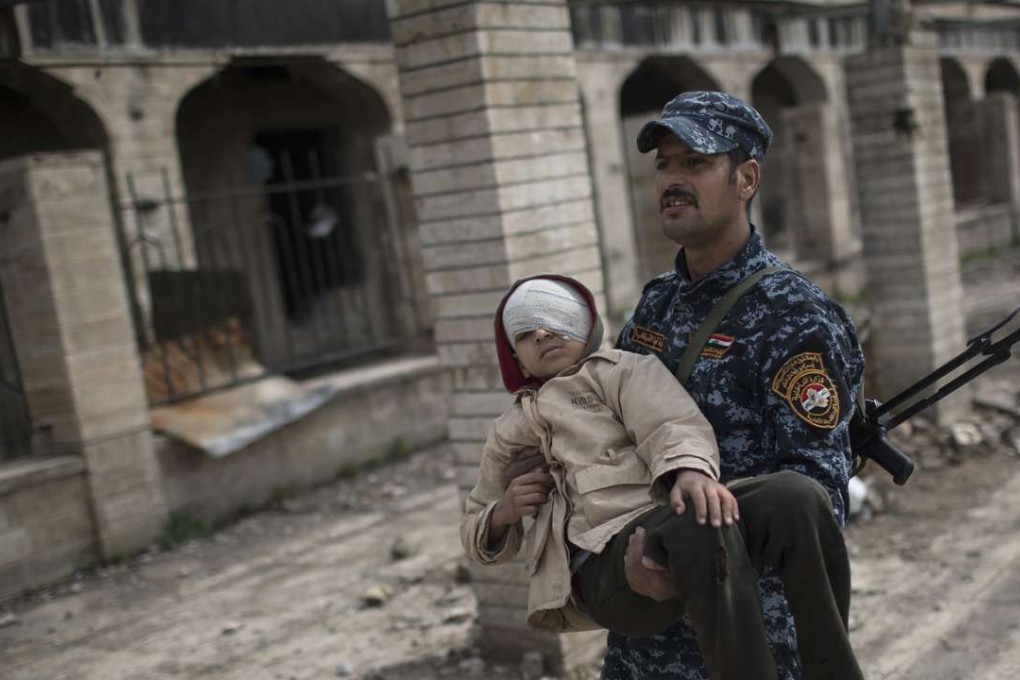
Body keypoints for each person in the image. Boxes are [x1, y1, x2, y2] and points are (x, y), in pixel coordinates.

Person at [462, 274, 863, 679]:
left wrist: (690, 473)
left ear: (585, 325)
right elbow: (475, 524)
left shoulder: (621, 372)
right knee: (697, 523)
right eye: (526, 334)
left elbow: (670, 423)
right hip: (600, 567)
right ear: (516, 359)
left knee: (796, 499)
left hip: (666, 530)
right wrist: (504, 512)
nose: (543, 332)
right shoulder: (509, 430)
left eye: (555, 318)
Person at [599, 91, 866, 680]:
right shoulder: (655, 305)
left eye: (694, 162)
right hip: (643, 638)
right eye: (664, 163)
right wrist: (626, 551)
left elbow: (817, 494)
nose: (672, 178)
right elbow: (608, 440)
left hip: (745, 643)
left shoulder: (795, 316)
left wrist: (684, 543)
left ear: (746, 178)